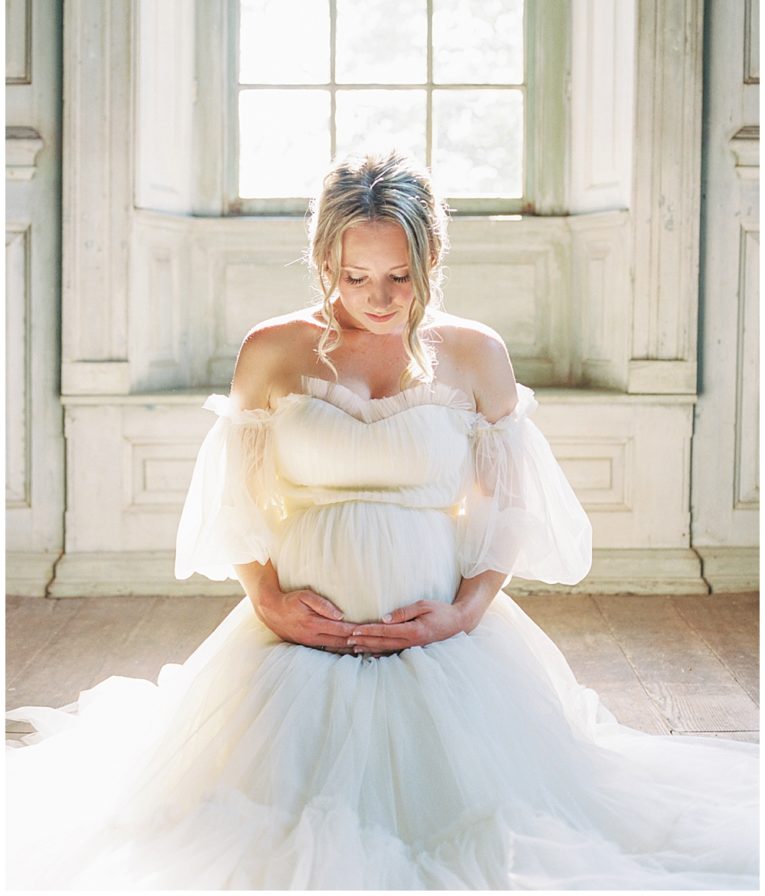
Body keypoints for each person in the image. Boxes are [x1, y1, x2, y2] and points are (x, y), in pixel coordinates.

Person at [6, 152, 758, 889]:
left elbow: (506, 509)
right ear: (322, 259)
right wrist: (266, 600)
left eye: (400, 275)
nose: (379, 295)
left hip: (439, 632)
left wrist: (462, 612)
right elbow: (237, 498)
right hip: (296, 637)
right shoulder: (271, 349)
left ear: (431, 255)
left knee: (496, 827)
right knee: (232, 828)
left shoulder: (473, 353)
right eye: (354, 275)